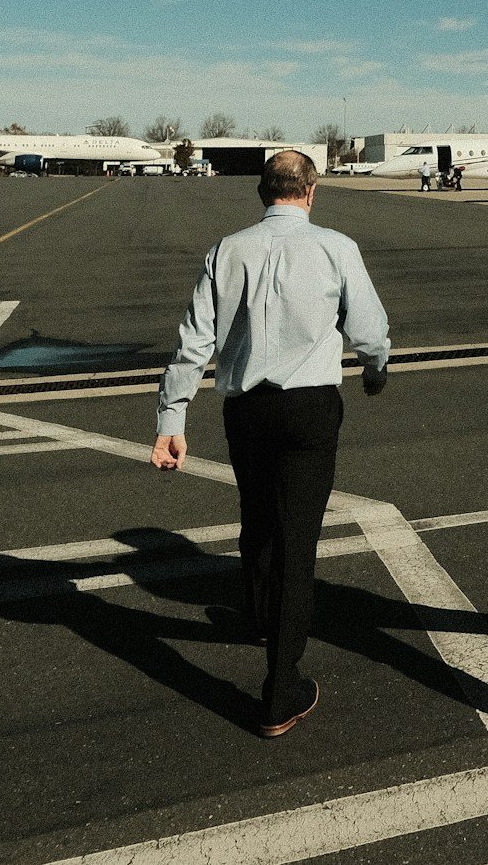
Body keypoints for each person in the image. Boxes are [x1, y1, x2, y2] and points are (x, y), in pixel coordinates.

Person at [152, 148, 390, 738]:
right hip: (310, 407)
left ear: (263, 193)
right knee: (298, 543)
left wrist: (171, 417)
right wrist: (375, 368)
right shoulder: (337, 247)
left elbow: (193, 341)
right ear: (311, 192)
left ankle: (258, 615)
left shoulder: (226, 251)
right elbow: (368, 328)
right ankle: (281, 689)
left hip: (247, 409)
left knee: (256, 515)